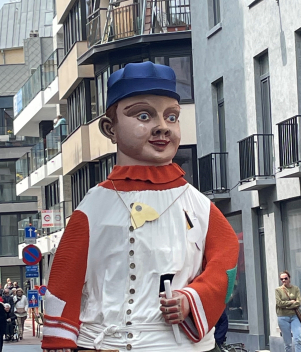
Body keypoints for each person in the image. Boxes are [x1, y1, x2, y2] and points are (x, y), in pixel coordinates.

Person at [41, 62, 239, 352]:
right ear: (111, 128)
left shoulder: (196, 204)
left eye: (172, 117)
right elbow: (65, 276)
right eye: (144, 115)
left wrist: (191, 298)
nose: (162, 127)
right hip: (102, 344)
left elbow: (226, 260)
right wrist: (59, 339)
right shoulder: (94, 205)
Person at [275, 270, 301, 352]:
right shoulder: (278, 290)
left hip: (295, 316)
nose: (283, 280)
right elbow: (279, 303)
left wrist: (286, 306)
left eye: (285, 278)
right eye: (281, 279)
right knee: (288, 343)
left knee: (298, 339)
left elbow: (298, 303)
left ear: (289, 278)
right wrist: (291, 302)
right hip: (282, 317)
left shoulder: (296, 289)